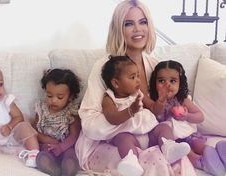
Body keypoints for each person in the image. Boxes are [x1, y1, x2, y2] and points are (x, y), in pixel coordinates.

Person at [75, 1, 197, 175]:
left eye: (143, 22)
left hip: (152, 139)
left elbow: (181, 111)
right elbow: (89, 124)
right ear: (118, 29)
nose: (138, 29)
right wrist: (137, 121)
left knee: (177, 159)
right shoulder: (106, 68)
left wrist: (166, 118)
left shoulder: (157, 67)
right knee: (153, 161)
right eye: (128, 24)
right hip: (112, 142)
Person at [101, 55, 191, 176]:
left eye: (138, 76)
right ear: (116, 83)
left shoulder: (138, 93)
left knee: (163, 127)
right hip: (129, 136)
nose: (138, 80)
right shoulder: (109, 98)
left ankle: (169, 147)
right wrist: (130, 111)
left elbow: (154, 109)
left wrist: (160, 101)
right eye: (133, 77)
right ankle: (131, 162)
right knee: (123, 139)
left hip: (148, 134)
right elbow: (112, 117)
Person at [149, 60, 226, 176]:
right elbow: (156, 115)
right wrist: (161, 101)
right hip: (174, 141)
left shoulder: (183, 100)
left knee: (202, 147)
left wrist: (187, 116)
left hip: (190, 135)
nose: (167, 85)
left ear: (180, 83)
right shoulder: (155, 102)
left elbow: (200, 116)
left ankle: (219, 153)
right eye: (161, 81)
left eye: (173, 81)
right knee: (186, 153)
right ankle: (200, 161)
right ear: (154, 83)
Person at [33, 68, 81, 176]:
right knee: (41, 158)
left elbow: (74, 135)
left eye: (60, 97)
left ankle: (68, 173)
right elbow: (34, 130)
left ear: (70, 97)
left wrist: (61, 147)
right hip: (47, 147)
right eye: (49, 95)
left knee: (71, 159)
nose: (53, 100)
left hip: (66, 147)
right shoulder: (41, 109)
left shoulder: (71, 111)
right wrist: (46, 140)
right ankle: (55, 172)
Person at [0, 64, 39, 168]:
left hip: (13, 134)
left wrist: (10, 126)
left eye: (1, 84)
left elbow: (19, 117)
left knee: (24, 126)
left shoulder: (6, 101)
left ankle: (34, 154)